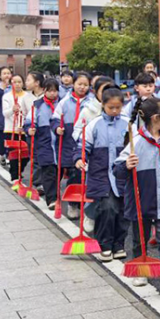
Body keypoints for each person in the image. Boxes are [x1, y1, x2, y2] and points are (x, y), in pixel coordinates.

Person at [114, 96, 160, 294]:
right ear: (156, 118)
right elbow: (117, 169)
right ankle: (140, 271)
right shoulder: (136, 142)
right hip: (142, 199)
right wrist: (126, 165)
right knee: (140, 239)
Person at [78, 88, 128, 263]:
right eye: (110, 107)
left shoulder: (128, 124)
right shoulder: (94, 124)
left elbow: (135, 145)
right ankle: (105, 245)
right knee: (106, 208)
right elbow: (83, 146)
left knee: (123, 211)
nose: (114, 111)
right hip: (101, 174)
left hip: (123, 175)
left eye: (118, 107)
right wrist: (80, 158)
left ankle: (119, 244)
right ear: (103, 105)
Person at [52, 71, 93, 219]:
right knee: (74, 173)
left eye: (85, 85)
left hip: (86, 141)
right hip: (69, 141)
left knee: (85, 173)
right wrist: (57, 128)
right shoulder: (64, 101)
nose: (82, 87)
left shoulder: (92, 102)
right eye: (79, 84)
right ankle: (73, 203)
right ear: (73, 84)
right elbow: (55, 118)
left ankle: (85, 204)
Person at [26, 78, 61, 210]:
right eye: (49, 90)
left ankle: (56, 194)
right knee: (48, 171)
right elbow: (29, 122)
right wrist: (30, 129)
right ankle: (52, 199)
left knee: (58, 171)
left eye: (55, 91)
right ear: (44, 90)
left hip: (59, 142)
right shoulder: (37, 105)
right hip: (44, 142)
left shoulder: (61, 103)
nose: (52, 93)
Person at [3, 73, 34, 183]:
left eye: (19, 82)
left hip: (24, 130)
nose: (17, 84)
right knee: (14, 155)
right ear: (11, 83)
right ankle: (14, 176)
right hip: (10, 129)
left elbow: (30, 112)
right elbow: (5, 113)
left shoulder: (27, 96)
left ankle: (19, 171)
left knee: (25, 155)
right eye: (14, 82)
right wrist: (12, 109)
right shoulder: (7, 96)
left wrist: (24, 124)